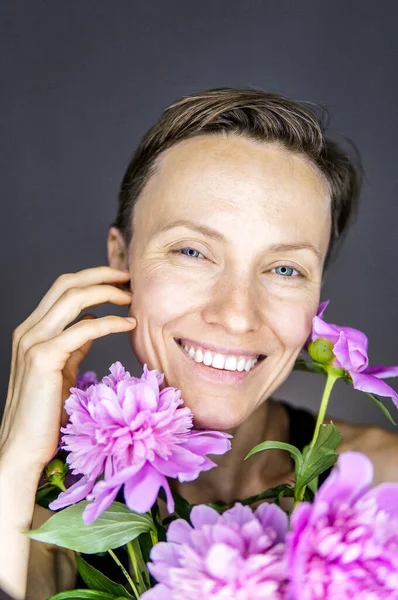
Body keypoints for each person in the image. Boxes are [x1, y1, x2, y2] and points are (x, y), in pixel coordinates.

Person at [1, 87, 397, 600]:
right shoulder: (43, 515)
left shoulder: (386, 490)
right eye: (192, 251)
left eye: (284, 268)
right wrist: (15, 466)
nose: (236, 315)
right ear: (121, 262)